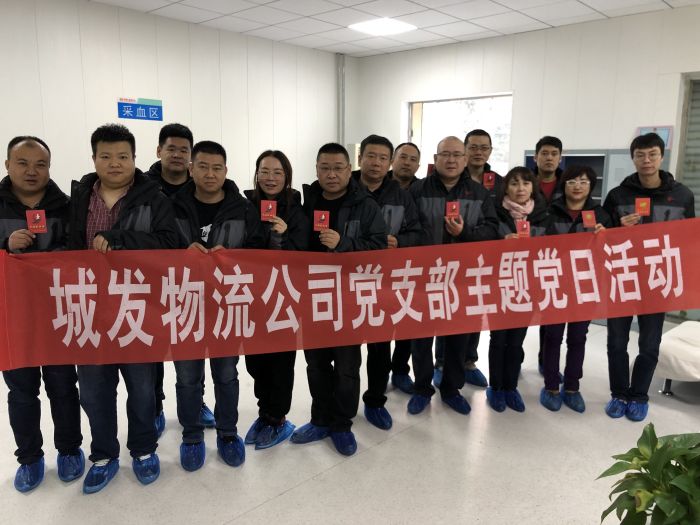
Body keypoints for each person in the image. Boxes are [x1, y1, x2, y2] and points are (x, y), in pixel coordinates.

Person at [67, 123, 178, 494]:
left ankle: (144, 450)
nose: (114, 163)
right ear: (93, 158)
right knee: (93, 391)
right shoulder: (79, 199)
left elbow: (169, 244)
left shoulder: (154, 199)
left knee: (142, 389)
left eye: (122, 156)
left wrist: (119, 239)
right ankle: (103, 455)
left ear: (135, 158)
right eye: (106, 156)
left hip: (138, 309)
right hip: (89, 311)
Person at [171, 140, 265, 470]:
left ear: (226, 171)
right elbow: (157, 247)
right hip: (185, 302)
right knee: (187, 377)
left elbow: (260, 251)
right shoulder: (172, 206)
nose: (210, 174)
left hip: (228, 304)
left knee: (226, 374)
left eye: (217, 168)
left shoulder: (243, 209)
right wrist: (180, 254)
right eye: (203, 167)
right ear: (191, 169)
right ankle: (192, 436)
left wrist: (234, 257)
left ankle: (228, 433)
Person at [291, 143, 386, 456]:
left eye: (337, 168)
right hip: (313, 298)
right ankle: (320, 419)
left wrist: (344, 243)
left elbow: (379, 249)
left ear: (349, 170)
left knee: (346, 367)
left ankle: (342, 424)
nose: (331, 174)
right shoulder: (306, 202)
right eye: (325, 168)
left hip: (349, 300)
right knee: (316, 365)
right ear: (316, 170)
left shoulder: (365, 205)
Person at [1, 136, 84, 492]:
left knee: (63, 386)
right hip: (12, 317)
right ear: (8, 165)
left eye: (40, 164)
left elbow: (79, 250)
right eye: (23, 163)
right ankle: (30, 458)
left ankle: (69, 449)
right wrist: (5, 246)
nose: (32, 171)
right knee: (22, 392)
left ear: (50, 168)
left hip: (57, 314)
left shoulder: (65, 206)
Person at [603, 132, 695, 422]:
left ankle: (639, 395)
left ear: (661, 156)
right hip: (623, 278)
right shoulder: (618, 195)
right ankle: (619, 393)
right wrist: (618, 227)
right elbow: (601, 238)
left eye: (652, 154)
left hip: (658, 280)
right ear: (633, 158)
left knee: (650, 344)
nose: (646, 160)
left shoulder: (683, 195)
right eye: (640, 155)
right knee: (617, 343)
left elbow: (689, 240)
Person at [408, 136, 499, 416]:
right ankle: (421, 389)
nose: (451, 160)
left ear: (465, 159)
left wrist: (465, 233)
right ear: (435, 159)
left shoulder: (478, 193)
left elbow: (492, 231)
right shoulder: (417, 190)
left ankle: (451, 389)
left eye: (457, 155)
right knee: (421, 339)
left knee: (459, 338)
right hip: (424, 278)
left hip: (462, 279)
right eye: (445, 154)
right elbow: (408, 229)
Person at [144, 123, 216, 436]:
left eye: (183, 150)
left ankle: (196, 402)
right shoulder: (142, 187)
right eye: (171, 148)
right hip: (153, 281)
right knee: (152, 348)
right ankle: (156, 406)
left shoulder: (200, 185)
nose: (176, 154)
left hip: (192, 284)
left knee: (192, 349)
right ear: (159, 151)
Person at [353, 135, 421, 429]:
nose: (376, 163)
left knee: (380, 348)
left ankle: (375, 400)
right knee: (345, 351)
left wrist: (400, 241)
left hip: (384, 282)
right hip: (346, 280)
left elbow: (418, 232)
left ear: (390, 162)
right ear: (360, 158)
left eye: (383, 158)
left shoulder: (401, 195)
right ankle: (342, 405)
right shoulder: (345, 186)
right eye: (371, 156)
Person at [243, 150, 309, 449]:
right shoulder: (245, 206)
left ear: (287, 176)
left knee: (280, 362)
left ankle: (278, 419)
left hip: (284, 300)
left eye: (277, 172)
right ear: (257, 174)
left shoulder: (297, 211)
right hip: (252, 298)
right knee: (256, 361)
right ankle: (264, 412)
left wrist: (281, 236)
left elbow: (302, 255)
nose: (270, 178)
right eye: (265, 171)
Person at [540, 165, 611, 413]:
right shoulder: (550, 212)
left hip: (585, 285)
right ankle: (551, 386)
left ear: (591, 186)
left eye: (583, 181)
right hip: (556, 283)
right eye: (572, 181)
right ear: (564, 185)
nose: (577, 186)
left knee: (578, 338)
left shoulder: (601, 215)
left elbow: (611, 253)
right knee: (553, 336)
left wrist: (606, 237)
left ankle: (572, 387)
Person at [486, 167, 548, 413]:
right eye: (514, 183)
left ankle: (511, 387)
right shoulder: (495, 213)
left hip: (527, 287)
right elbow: (482, 245)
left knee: (516, 341)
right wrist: (501, 244)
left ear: (533, 187)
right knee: (498, 339)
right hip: (499, 286)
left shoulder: (543, 215)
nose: (520, 188)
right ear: (506, 188)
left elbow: (554, 250)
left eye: (525, 183)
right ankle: (495, 387)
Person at [388, 142, 422, 393]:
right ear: (393, 159)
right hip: (375, 268)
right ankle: (377, 374)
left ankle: (400, 370)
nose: (407, 163)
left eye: (412, 159)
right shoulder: (377, 185)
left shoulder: (421, 189)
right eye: (403, 157)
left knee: (406, 321)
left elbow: (420, 230)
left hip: (410, 266)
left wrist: (400, 241)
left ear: (418, 165)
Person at [533, 135, 564, 377]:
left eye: (554, 154)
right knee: (519, 314)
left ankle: (546, 361)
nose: (549, 158)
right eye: (544, 153)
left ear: (560, 158)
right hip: (527, 257)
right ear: (536, 157)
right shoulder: (525, 182)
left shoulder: (568, 184)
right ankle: (513, 362)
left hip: (556, 259)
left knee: (551, 315)